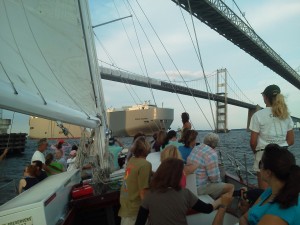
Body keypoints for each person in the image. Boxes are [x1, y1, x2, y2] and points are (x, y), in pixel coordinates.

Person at [135, 158, 232, 225]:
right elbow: (207, 209)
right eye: (182, 171)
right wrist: (221, 201)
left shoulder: (149, 195)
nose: (184, 173)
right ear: (176, 175)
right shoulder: (185, 193)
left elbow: (139, 223)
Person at [239, 144, 300, 225]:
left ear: (268, 173)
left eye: (260, 163)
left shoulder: (283, 210)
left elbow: (245, 218)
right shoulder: (270, 191)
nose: (259, 167)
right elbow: (244, 218)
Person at [249, 84, 294, 189]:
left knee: (264, 193)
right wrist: (280, 146)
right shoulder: (286, 115)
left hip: (264, 155)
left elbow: (252, 142)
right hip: (282, 155)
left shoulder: (258, 115)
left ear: (265, 98)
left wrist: (257, 152)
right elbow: (291, 141)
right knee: (283, 191)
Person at [187, 133, 234, 199]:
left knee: (219, 187)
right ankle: (223, 208)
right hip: (199, 187)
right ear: (215, 144)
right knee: (230, 187)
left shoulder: (196, 147)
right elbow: (214, 179)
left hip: (190, 184)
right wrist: (220, 183)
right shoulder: (211, 154)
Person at [119, 136, 152, 225]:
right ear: (147, 148)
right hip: (136, 211)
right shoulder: (145, 165)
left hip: (126, 207)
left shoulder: (131, 160)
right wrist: (150, 211)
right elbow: (143, 192)